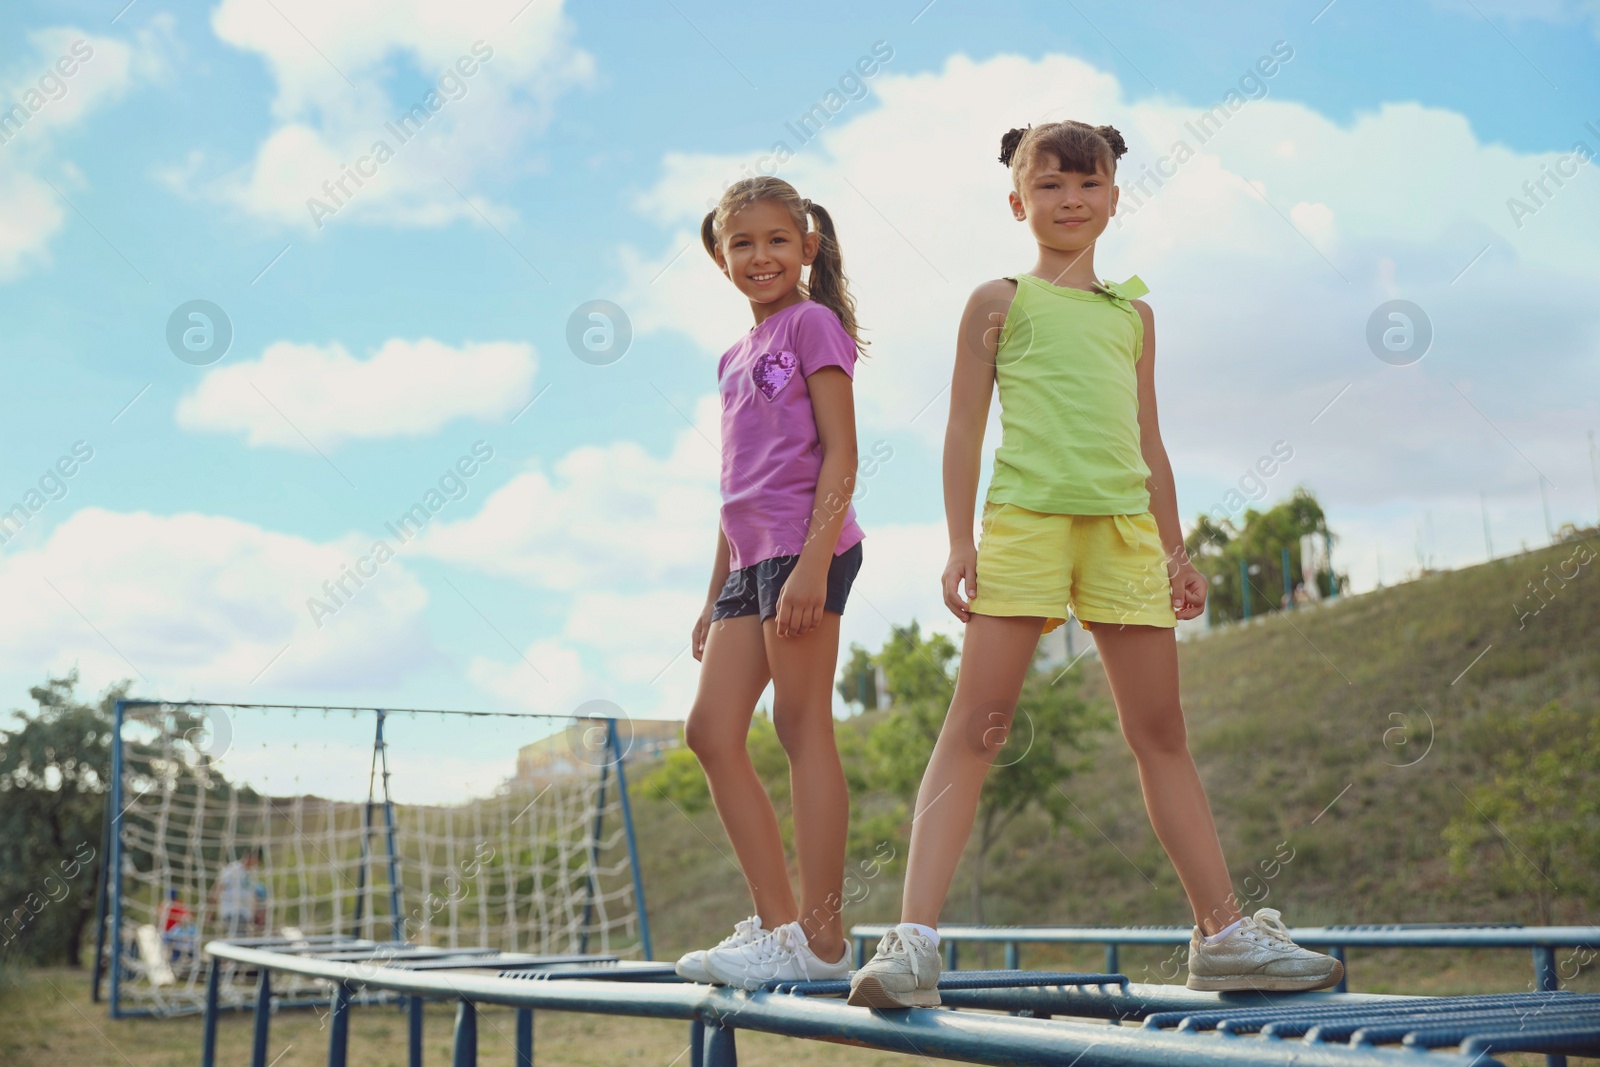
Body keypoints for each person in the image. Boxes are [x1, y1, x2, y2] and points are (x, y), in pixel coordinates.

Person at [848, 122, 1343, 1008]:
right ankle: (912, 941)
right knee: (980, 724)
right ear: (1017, 202)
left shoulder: (1134, 314)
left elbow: (1149, 438)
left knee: (1161, 734)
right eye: (1049, 186)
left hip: (1122, 532)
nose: (1070, 200)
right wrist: (961, 540)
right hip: (1027, 526)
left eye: (1088, 184)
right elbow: (963, 427)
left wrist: (1177, 550)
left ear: (1115, 197)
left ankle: (1223, 934)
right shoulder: (996, 300)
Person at [675, 176, 867, 990]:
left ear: (807, 247)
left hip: (808, 551)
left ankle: (822, 942)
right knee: (711, 732)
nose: (761, 256)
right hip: (749, 564)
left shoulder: (813, 324)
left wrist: (814, 565)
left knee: (798, 724)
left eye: (777, 241)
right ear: (720, 257)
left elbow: (841, 456)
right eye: (743, 243)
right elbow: (736, 486)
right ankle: (778, 924)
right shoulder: (731, 356)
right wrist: (712, 592)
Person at [212, 846, 265, 939]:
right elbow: (218, 889)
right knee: (238, 938)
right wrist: (211, 911)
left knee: (243, 938)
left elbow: (251, 896)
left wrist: (258, 913)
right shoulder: (232, 870)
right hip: (231, 911)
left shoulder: (251, 874)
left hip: (245, 913)